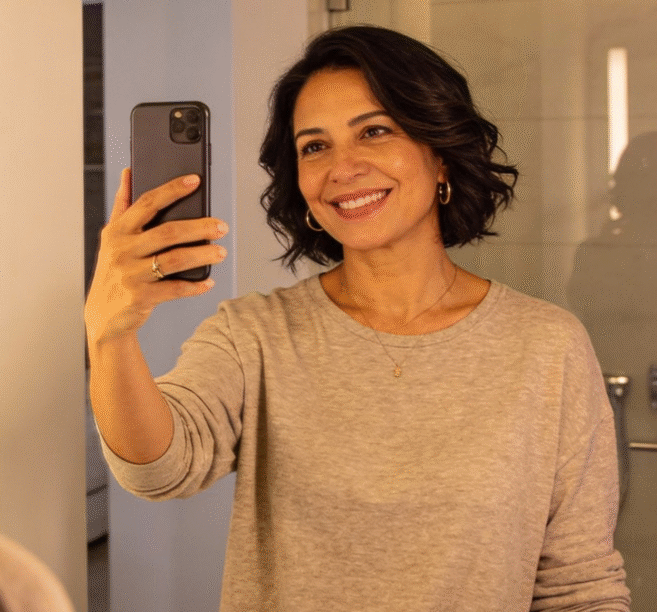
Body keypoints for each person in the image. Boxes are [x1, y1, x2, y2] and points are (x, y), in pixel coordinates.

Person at [84, 25, 630, 611]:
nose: (342, 168)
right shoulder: (254, 336)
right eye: (314, 147)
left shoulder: (546, 346)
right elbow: (158, 469)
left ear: (440, 157)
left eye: (374, 131)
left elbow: (580, 587)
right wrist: (110, 336)